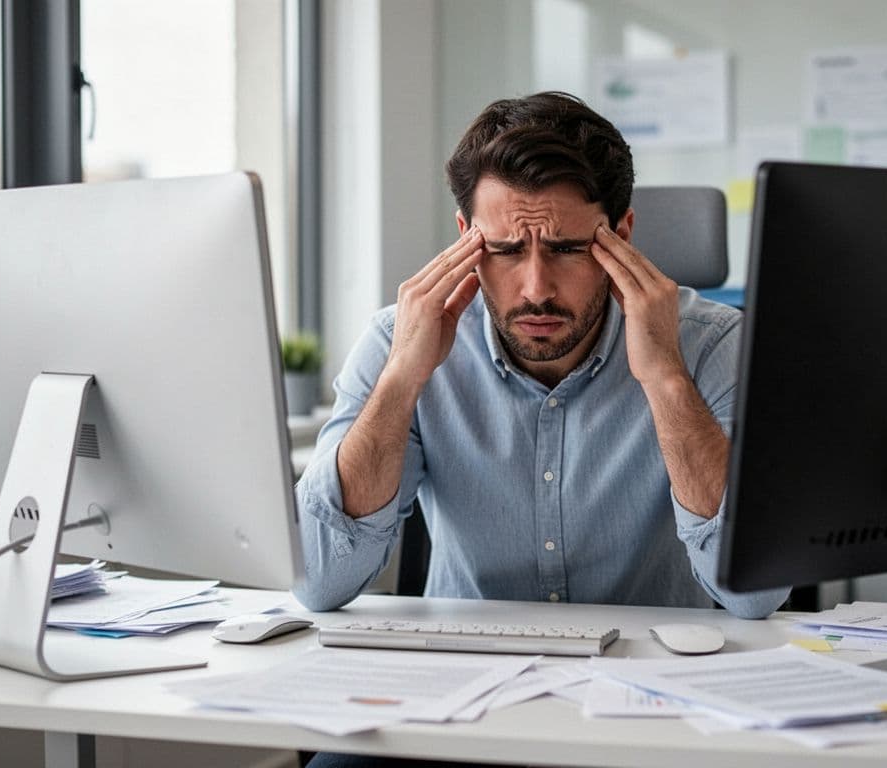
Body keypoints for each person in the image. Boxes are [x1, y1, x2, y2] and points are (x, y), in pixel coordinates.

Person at [294, 91, 788, 620]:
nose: (535, 288)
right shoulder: (399, 341)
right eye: (505, 250)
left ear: (621, 236)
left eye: (567, 248)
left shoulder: (710, 343)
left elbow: (753, 595)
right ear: (467, 239)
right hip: (465, 674)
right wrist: (400, 380)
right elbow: (320, 582)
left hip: (651, 676)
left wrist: (667, 376)